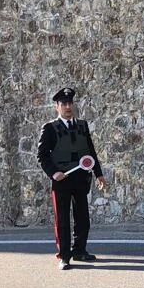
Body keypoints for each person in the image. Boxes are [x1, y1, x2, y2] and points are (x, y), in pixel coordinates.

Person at [37, 87, 107, 270]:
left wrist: (98, 174)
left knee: (82, 217)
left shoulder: (83, 126)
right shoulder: (50, 129)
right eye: (64, 104)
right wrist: (53, 173)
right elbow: (42, 156)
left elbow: (90, 153)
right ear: (57, 107)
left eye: (70, 103)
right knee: (62, 220)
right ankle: (64, 256)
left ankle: (80, 250)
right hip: (61, 180)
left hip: (81, 179)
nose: (68, 107)